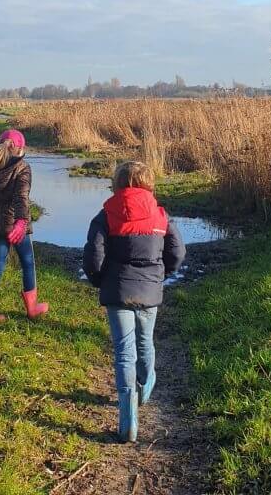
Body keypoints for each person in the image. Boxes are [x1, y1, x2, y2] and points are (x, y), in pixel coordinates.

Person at [83, 161, 185, 442]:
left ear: (118, 183)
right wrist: (162, 274)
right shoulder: (161, 215)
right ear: (149, 183)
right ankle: (146, 386)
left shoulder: (106, 215)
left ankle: (128, 417)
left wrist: (97, 279)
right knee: (145, 342)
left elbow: (93, 255)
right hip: (149, 291)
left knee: (124, 352)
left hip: (117, 291)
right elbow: (177, 253)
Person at [0, 129, 48, 321]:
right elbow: (21, 197)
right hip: (16, 225)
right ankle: (32, 308)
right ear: (20, 148)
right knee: (28, 264)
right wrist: (21, 221)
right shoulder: (22, 167)